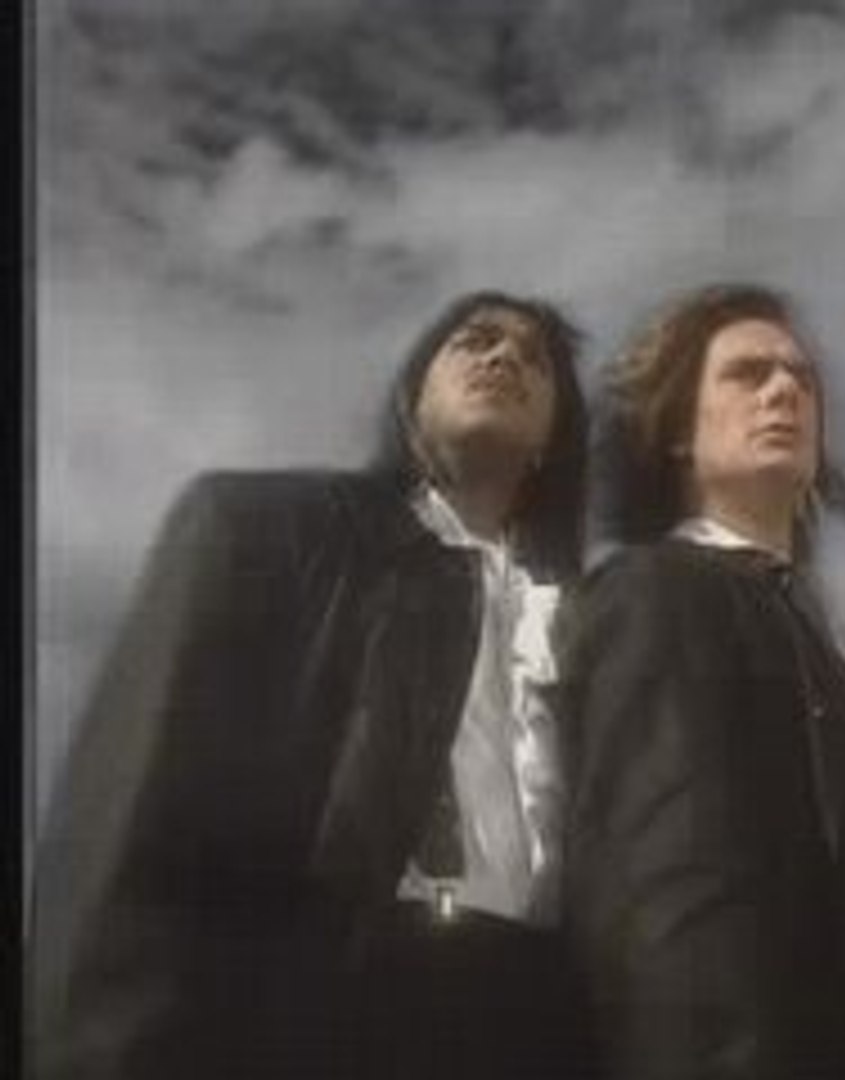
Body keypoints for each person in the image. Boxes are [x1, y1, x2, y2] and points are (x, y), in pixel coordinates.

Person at [29, 291, 597, 1079]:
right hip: (335, 1010)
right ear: (411, 398)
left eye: (535, 360)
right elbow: (137, 831)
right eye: (476, 339)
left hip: (538, 1020)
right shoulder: (265, 530)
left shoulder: (591, 622)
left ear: (554, 439)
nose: (504, 358)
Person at [556, 283, 845, 1080]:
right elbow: (670, 900)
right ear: (678, 430)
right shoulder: (658, 591)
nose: (786, 390)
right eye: (748, 374)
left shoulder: (830, 642)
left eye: (801, 378)